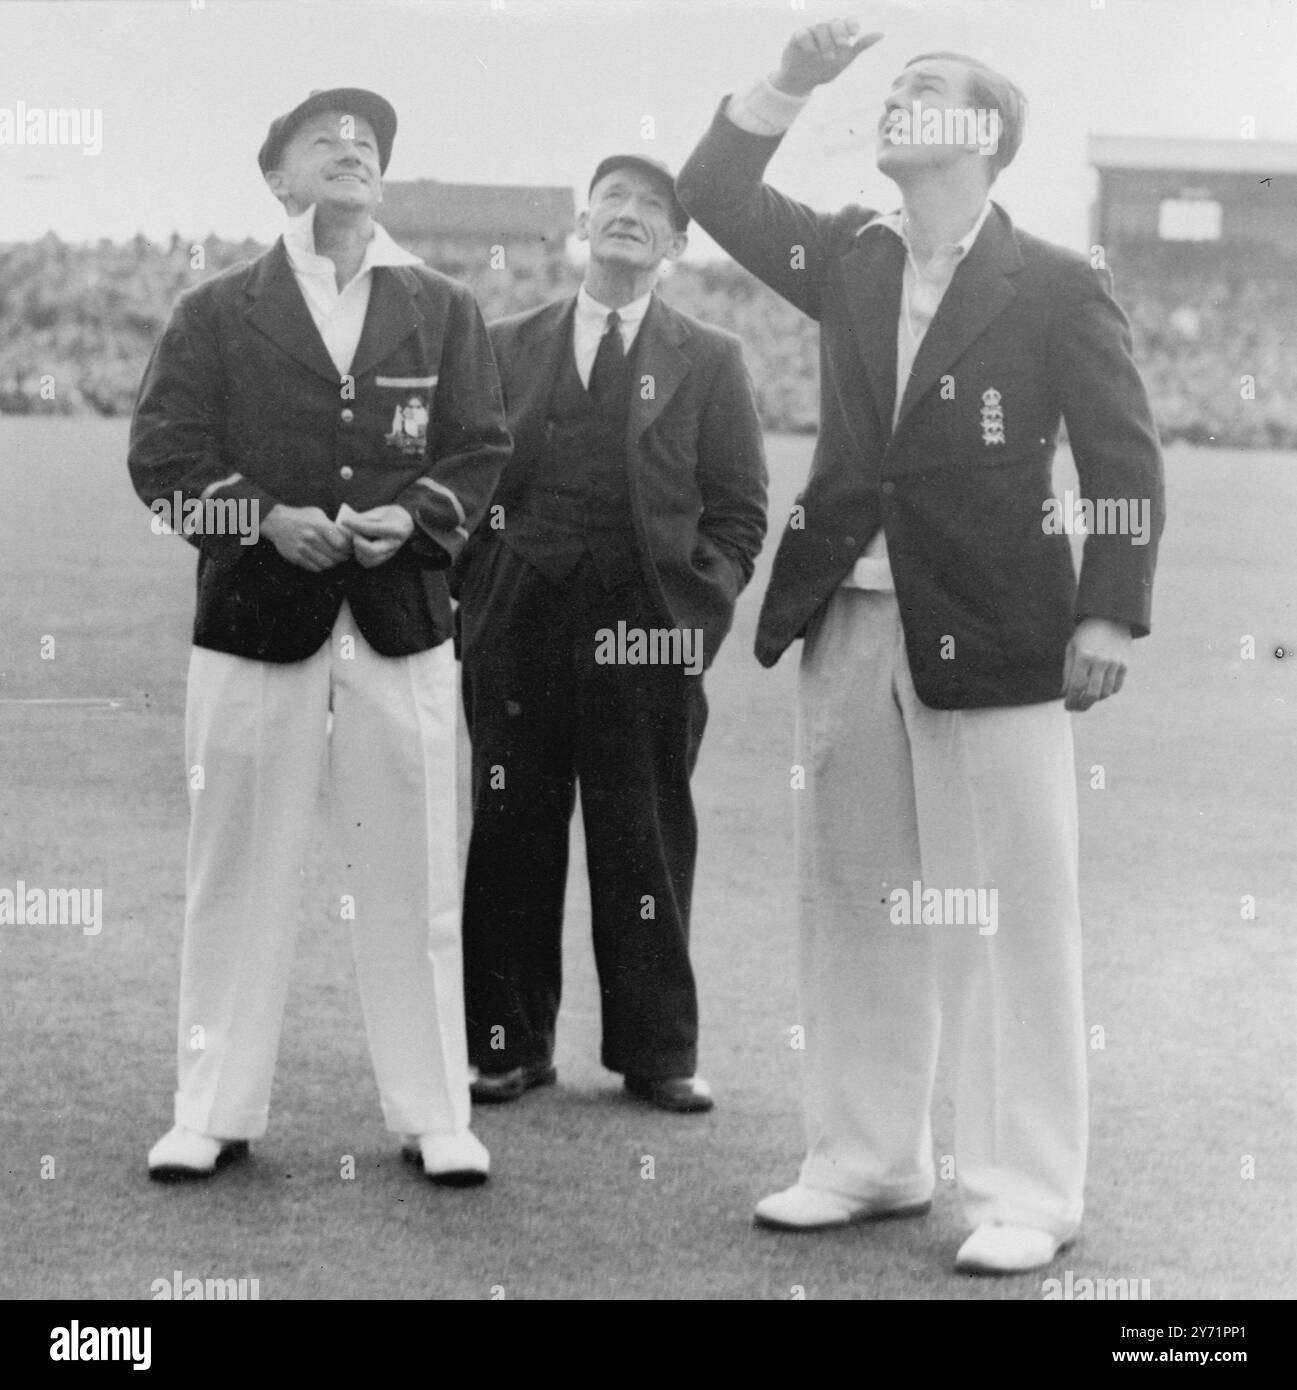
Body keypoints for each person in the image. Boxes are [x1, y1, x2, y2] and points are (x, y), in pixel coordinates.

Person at [678, 22, 1164, 1270]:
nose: (898, 103)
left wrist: (1108, 608)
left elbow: (1121, 455)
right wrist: (791, 74)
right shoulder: (850, 254)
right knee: (852, 901)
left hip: (1000, 629)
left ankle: (1025, 1191)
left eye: (928, 91)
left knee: (1006, 912)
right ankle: (864, 1159)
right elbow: (713, 192)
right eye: (892, 91)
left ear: (987, 134)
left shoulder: (1055, 279)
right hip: (847, 614)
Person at [130, 87, 510, 1186]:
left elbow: (482, 450)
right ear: (277, 179)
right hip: (255, 625)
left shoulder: (441, 306)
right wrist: (260, 518)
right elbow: (161, 461)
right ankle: (211, 1108)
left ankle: (438, 1113)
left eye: (366, 143)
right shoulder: (215, 309)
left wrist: (420, 515)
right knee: (235, 869)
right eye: (322, 141)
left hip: (401, 624)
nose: (351, 151)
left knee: (416, 867)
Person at [455, 154, 767, 1113]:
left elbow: (739, 513)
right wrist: (481, 594)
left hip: (648, 632)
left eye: (654, 208)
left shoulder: (709, 358)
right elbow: (462, 481)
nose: (630, 214)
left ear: (677, 243)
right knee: (511, 830)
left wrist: (690, 617)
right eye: (615, 200)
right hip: (519, 621)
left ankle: (656, 1051)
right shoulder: (503, 343)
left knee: (644, 839)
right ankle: (507, 1047)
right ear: (582, 224)